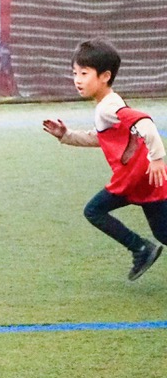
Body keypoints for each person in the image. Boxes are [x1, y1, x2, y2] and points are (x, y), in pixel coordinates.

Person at [43, 39, 167, 280]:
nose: (77, 80)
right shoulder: (108, 104)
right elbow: (100, 138)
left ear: (105, 76)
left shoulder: (108, 107)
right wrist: (66, 135)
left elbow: (144, 122)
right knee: (164, 233)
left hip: (134, 177)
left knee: (93, 211)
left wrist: (157, 158)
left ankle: (141, 248)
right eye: (75, 73)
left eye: (84, 73)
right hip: (144, 177)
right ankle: (143, 249)